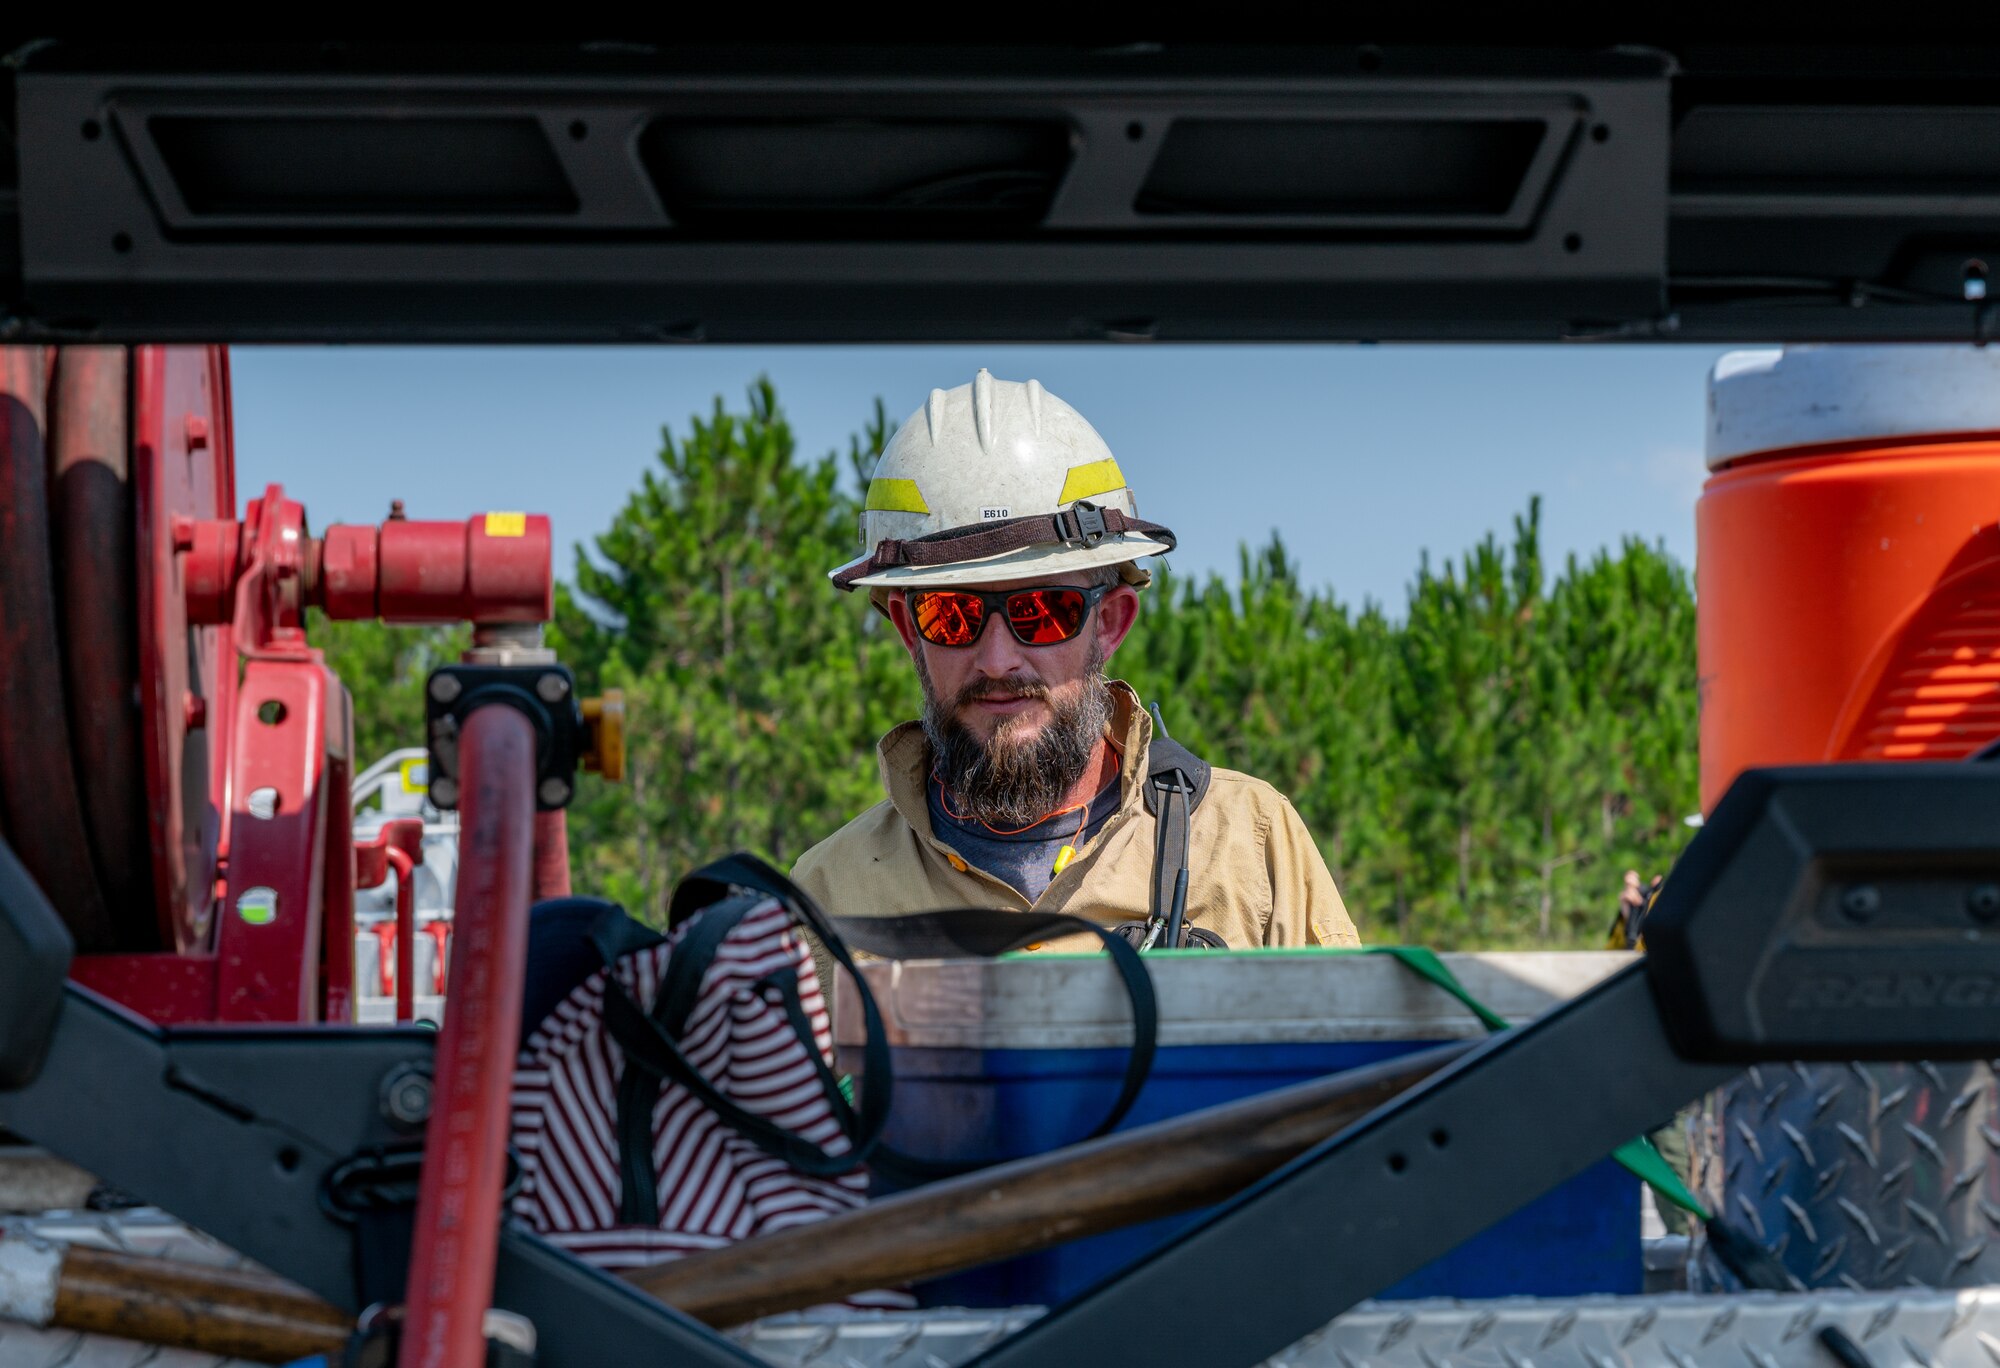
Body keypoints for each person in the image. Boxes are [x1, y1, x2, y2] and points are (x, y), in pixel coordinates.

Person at [792, 370, 1359, 955]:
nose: (997, 659)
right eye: (952, 615)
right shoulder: (827, 900)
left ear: (1110, 622)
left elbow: (1363, 1046)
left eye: (1041, 611)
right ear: (910, 630)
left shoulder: (1248, 848)